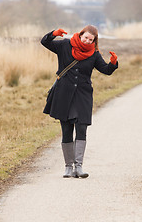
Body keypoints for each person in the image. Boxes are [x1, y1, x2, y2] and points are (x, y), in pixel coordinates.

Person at [41, 25, 118, 179]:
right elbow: (45, 42)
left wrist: (113, 63)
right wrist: (53, 34)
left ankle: (79, 167)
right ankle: (68, 167)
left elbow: (105, 70)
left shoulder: (94, 54)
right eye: (86, 37)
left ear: (94, 41)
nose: (88, 41)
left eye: (91, 40)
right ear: (81, 34)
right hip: (64, 94)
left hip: (83, 96)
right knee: (67, 130)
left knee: (81, 129)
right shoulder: (64, 45)